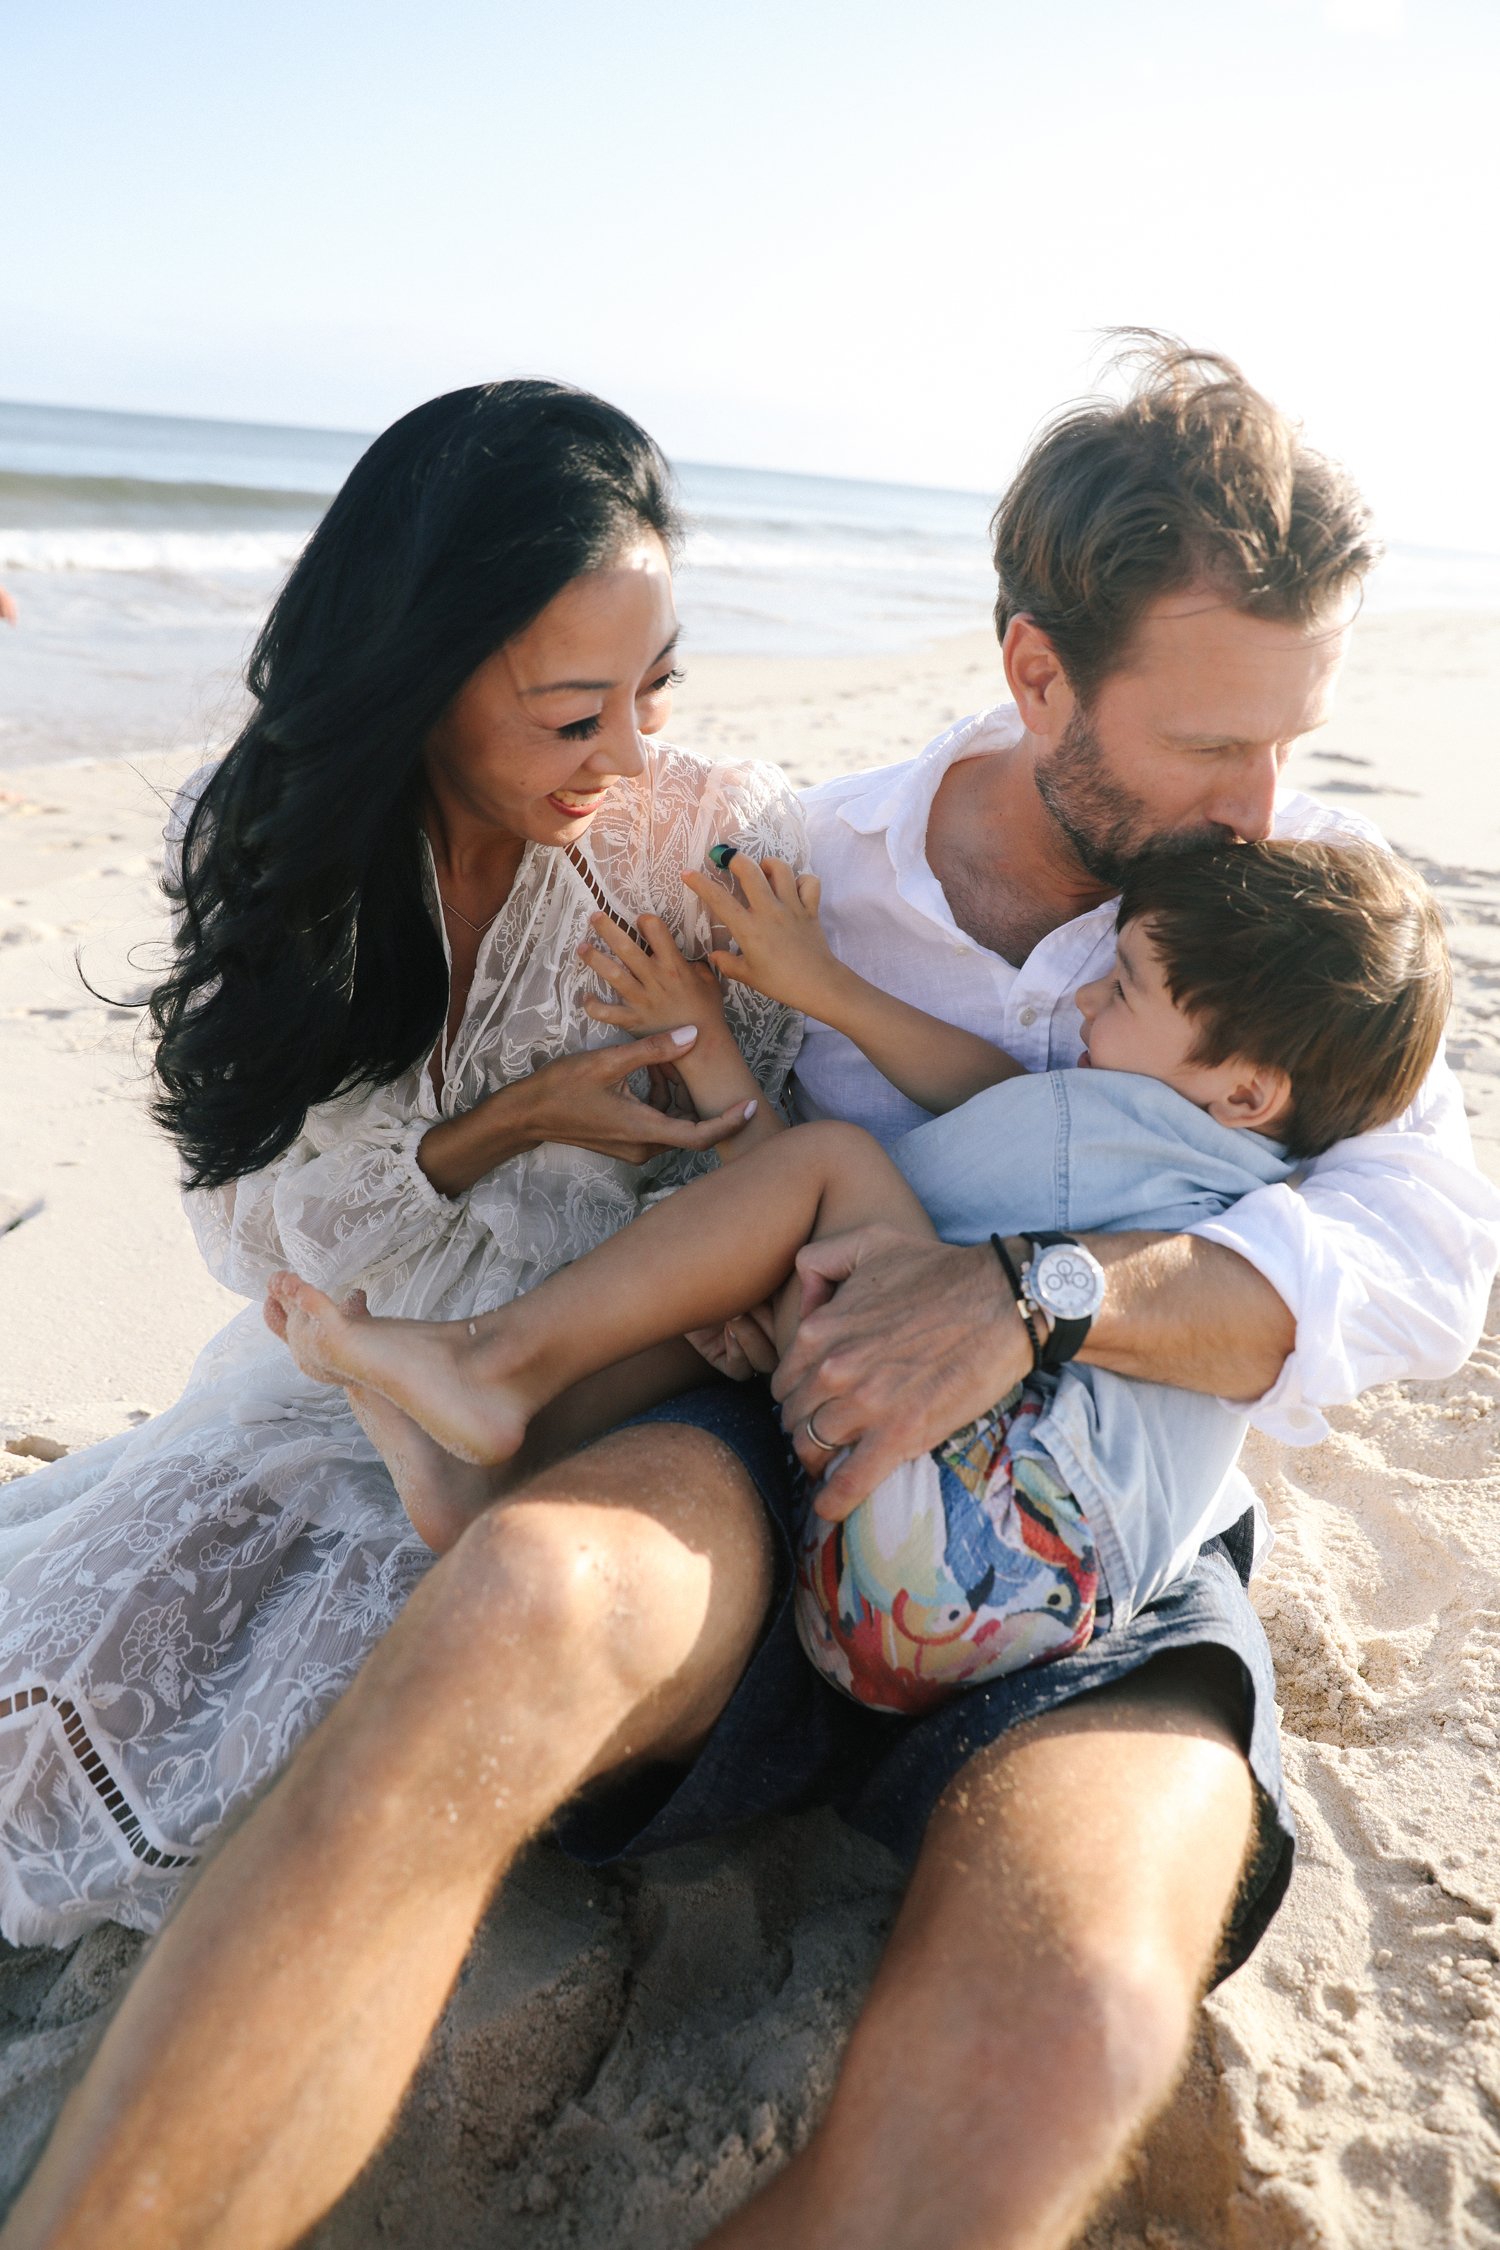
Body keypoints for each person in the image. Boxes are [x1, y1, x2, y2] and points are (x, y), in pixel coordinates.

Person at [7, 341, 1498, 2250]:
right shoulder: (797, 865)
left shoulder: (1310, 920)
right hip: (758, 1434)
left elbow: (1420, 1261)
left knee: (1074, 2022)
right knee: (507, 1621)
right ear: (1038, 671)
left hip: (1094, 1537)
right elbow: (636, 1107)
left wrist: (1034, 1296)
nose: (1266, 800)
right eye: (1212, 744)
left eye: (1294, 734)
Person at [0, 380, 804, 1947]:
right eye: (575, 714)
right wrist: (518, 1117)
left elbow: (760, 1155)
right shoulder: (278, 848)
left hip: (593, 1394)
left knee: (331, 1775)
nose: (630, 753)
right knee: (58, 1709)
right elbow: (264, 1237)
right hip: (337, 1366)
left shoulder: (694, 840)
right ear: (421, 679)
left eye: (656, 686)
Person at [265, 835, 1452, 1720]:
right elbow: (998, 1100)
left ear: (1244, 1090)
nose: (1085, 999)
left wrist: (711, 1040)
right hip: (975, 1628)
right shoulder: (1209, 1177)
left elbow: (824, 1200)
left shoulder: (1122, 1137)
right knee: (752, 1300)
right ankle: (481, 1473)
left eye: (1126, 986)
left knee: (822, 1173)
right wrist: (820, 988)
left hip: (961, 1529)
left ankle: (494, 1363)